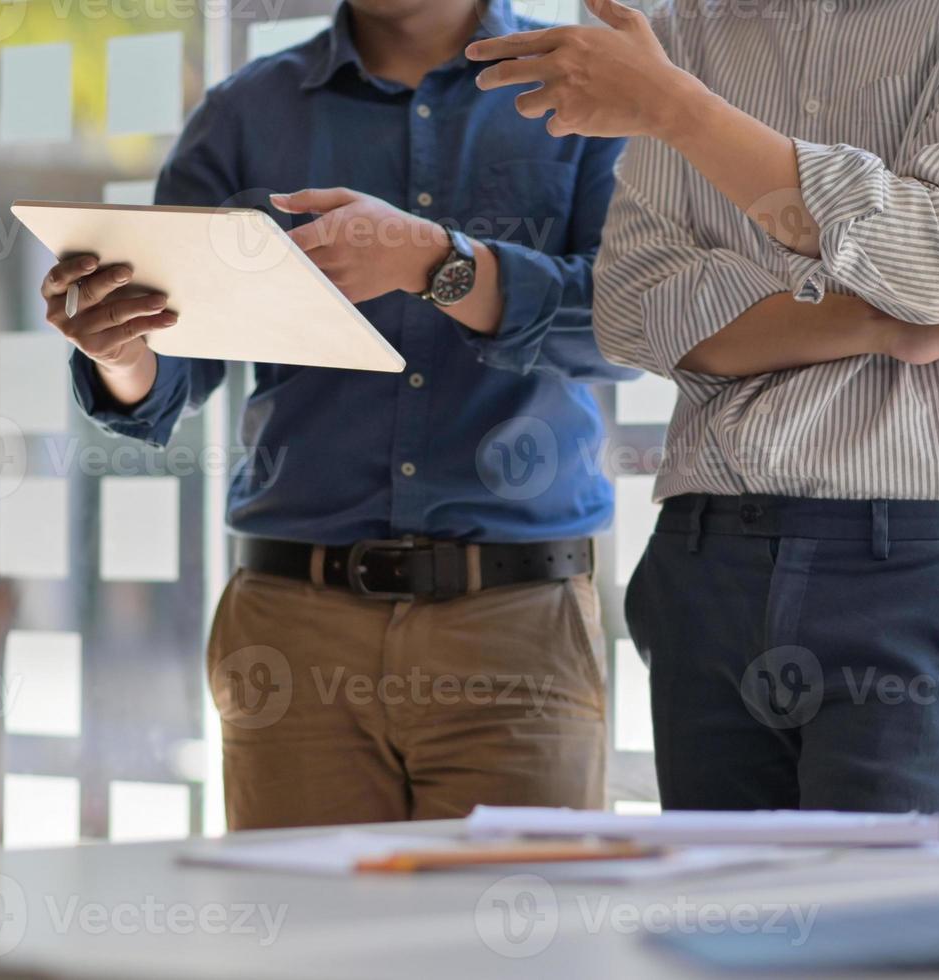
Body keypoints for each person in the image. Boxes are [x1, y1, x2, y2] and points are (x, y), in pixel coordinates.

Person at [468, 0, 939, 828]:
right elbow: (630, 306)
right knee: (719, 942)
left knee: (883, 946)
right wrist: (874, 321)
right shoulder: (688, 25)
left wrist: (679, 110)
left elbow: (934, 262)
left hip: (922, 564)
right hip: (709, 553)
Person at [38, 0, 634, 830]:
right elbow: (176, 363)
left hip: (513, 625)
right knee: (302, 945)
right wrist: (120, 352)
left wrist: (442, 264)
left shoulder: (582, 90)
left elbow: (628, 329)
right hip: (292, 625)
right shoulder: (246, 111)